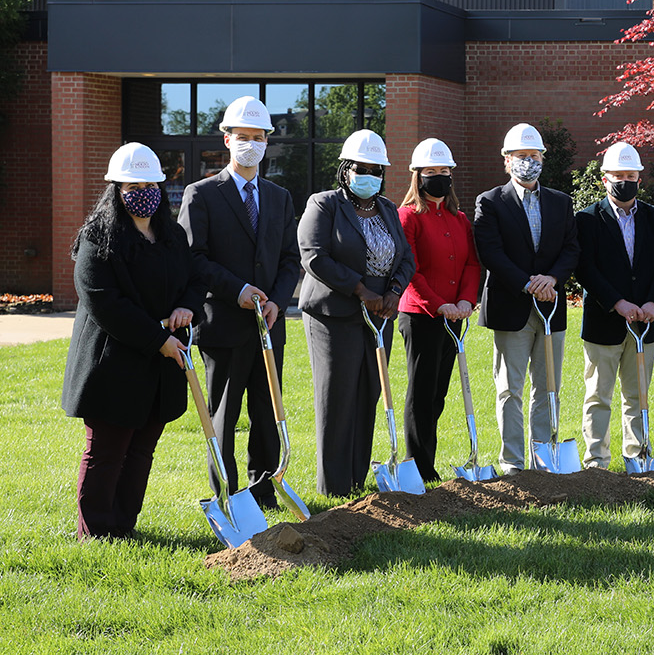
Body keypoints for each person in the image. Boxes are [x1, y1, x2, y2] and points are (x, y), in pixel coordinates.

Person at [62, 143, 205, 540]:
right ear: (116, 190)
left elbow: (195, 280)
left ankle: (124, 526)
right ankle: (95, 532)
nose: (142, 192)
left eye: (149, 184)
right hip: (113, 364)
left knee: (141, 451)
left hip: (159, 367)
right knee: (107, 451)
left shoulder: (171, 235)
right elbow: (103, 302)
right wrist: (157, 338)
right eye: (132, 186)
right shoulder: (97, 238)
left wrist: (187, 309)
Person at [176, 96, 300, 510]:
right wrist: (239, 290)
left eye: (259, 137)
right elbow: (193, 258)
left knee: (267, 414)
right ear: (226, 140)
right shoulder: (202, 194)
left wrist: (278, 302)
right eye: (242, 136)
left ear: (268, 142)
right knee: (224, 416)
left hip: (268, 326)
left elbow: (289, 259)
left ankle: (263, 492)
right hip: (224, 323)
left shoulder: (279, 197)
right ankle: (226, 495)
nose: (251, 143)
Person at [297, 129, 414, 497]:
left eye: (377, 170)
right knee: (338, 395)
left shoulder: (388, 209)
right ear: (346, 170)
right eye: (362, 168)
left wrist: (394, 292)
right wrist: (360, 290)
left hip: (379, 315)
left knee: (368, 393)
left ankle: (355, 481)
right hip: (334, 316)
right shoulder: (324, 204)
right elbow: (314, 254)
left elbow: (407, 258)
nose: (371, 176)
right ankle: (333, 487)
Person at [472, 123, 580, 474]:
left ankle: (544, 456)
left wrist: (552, 279)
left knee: (548, 388)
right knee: (510, 389)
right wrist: (526, 283)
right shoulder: (489, 202)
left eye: (534, 156)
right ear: (507, 160)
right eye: (521, 156)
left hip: (551, 306)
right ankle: (513, 462)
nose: (528, 162)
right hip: (511, 306)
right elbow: (491, 252)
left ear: (543, 159)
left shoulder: (560, 202)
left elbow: (570, 248)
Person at [574, 142, 654, 469]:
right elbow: (585, 268)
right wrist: (616, 302)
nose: (624, 181)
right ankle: (596, 464)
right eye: (618, 175)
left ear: (639, 179)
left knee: (637, 397)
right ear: (604, 178)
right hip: (603, 322)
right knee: (598, 397)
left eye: (630, 175)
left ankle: (637, 458)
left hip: (646, 323)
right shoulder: (587, 219)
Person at [397, 138, 482, 482]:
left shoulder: (459, 218)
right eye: (431, 171)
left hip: (454, 316)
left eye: (444, 171)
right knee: (421, 392)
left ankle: (425, 463)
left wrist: (465, 301)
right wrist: (439, 304)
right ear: (417, 176)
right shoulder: (408, 217)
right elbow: (409, 270)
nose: (439, 177)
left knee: (438, 393)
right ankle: (417, 468)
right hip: (420, 316)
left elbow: (472, 265)